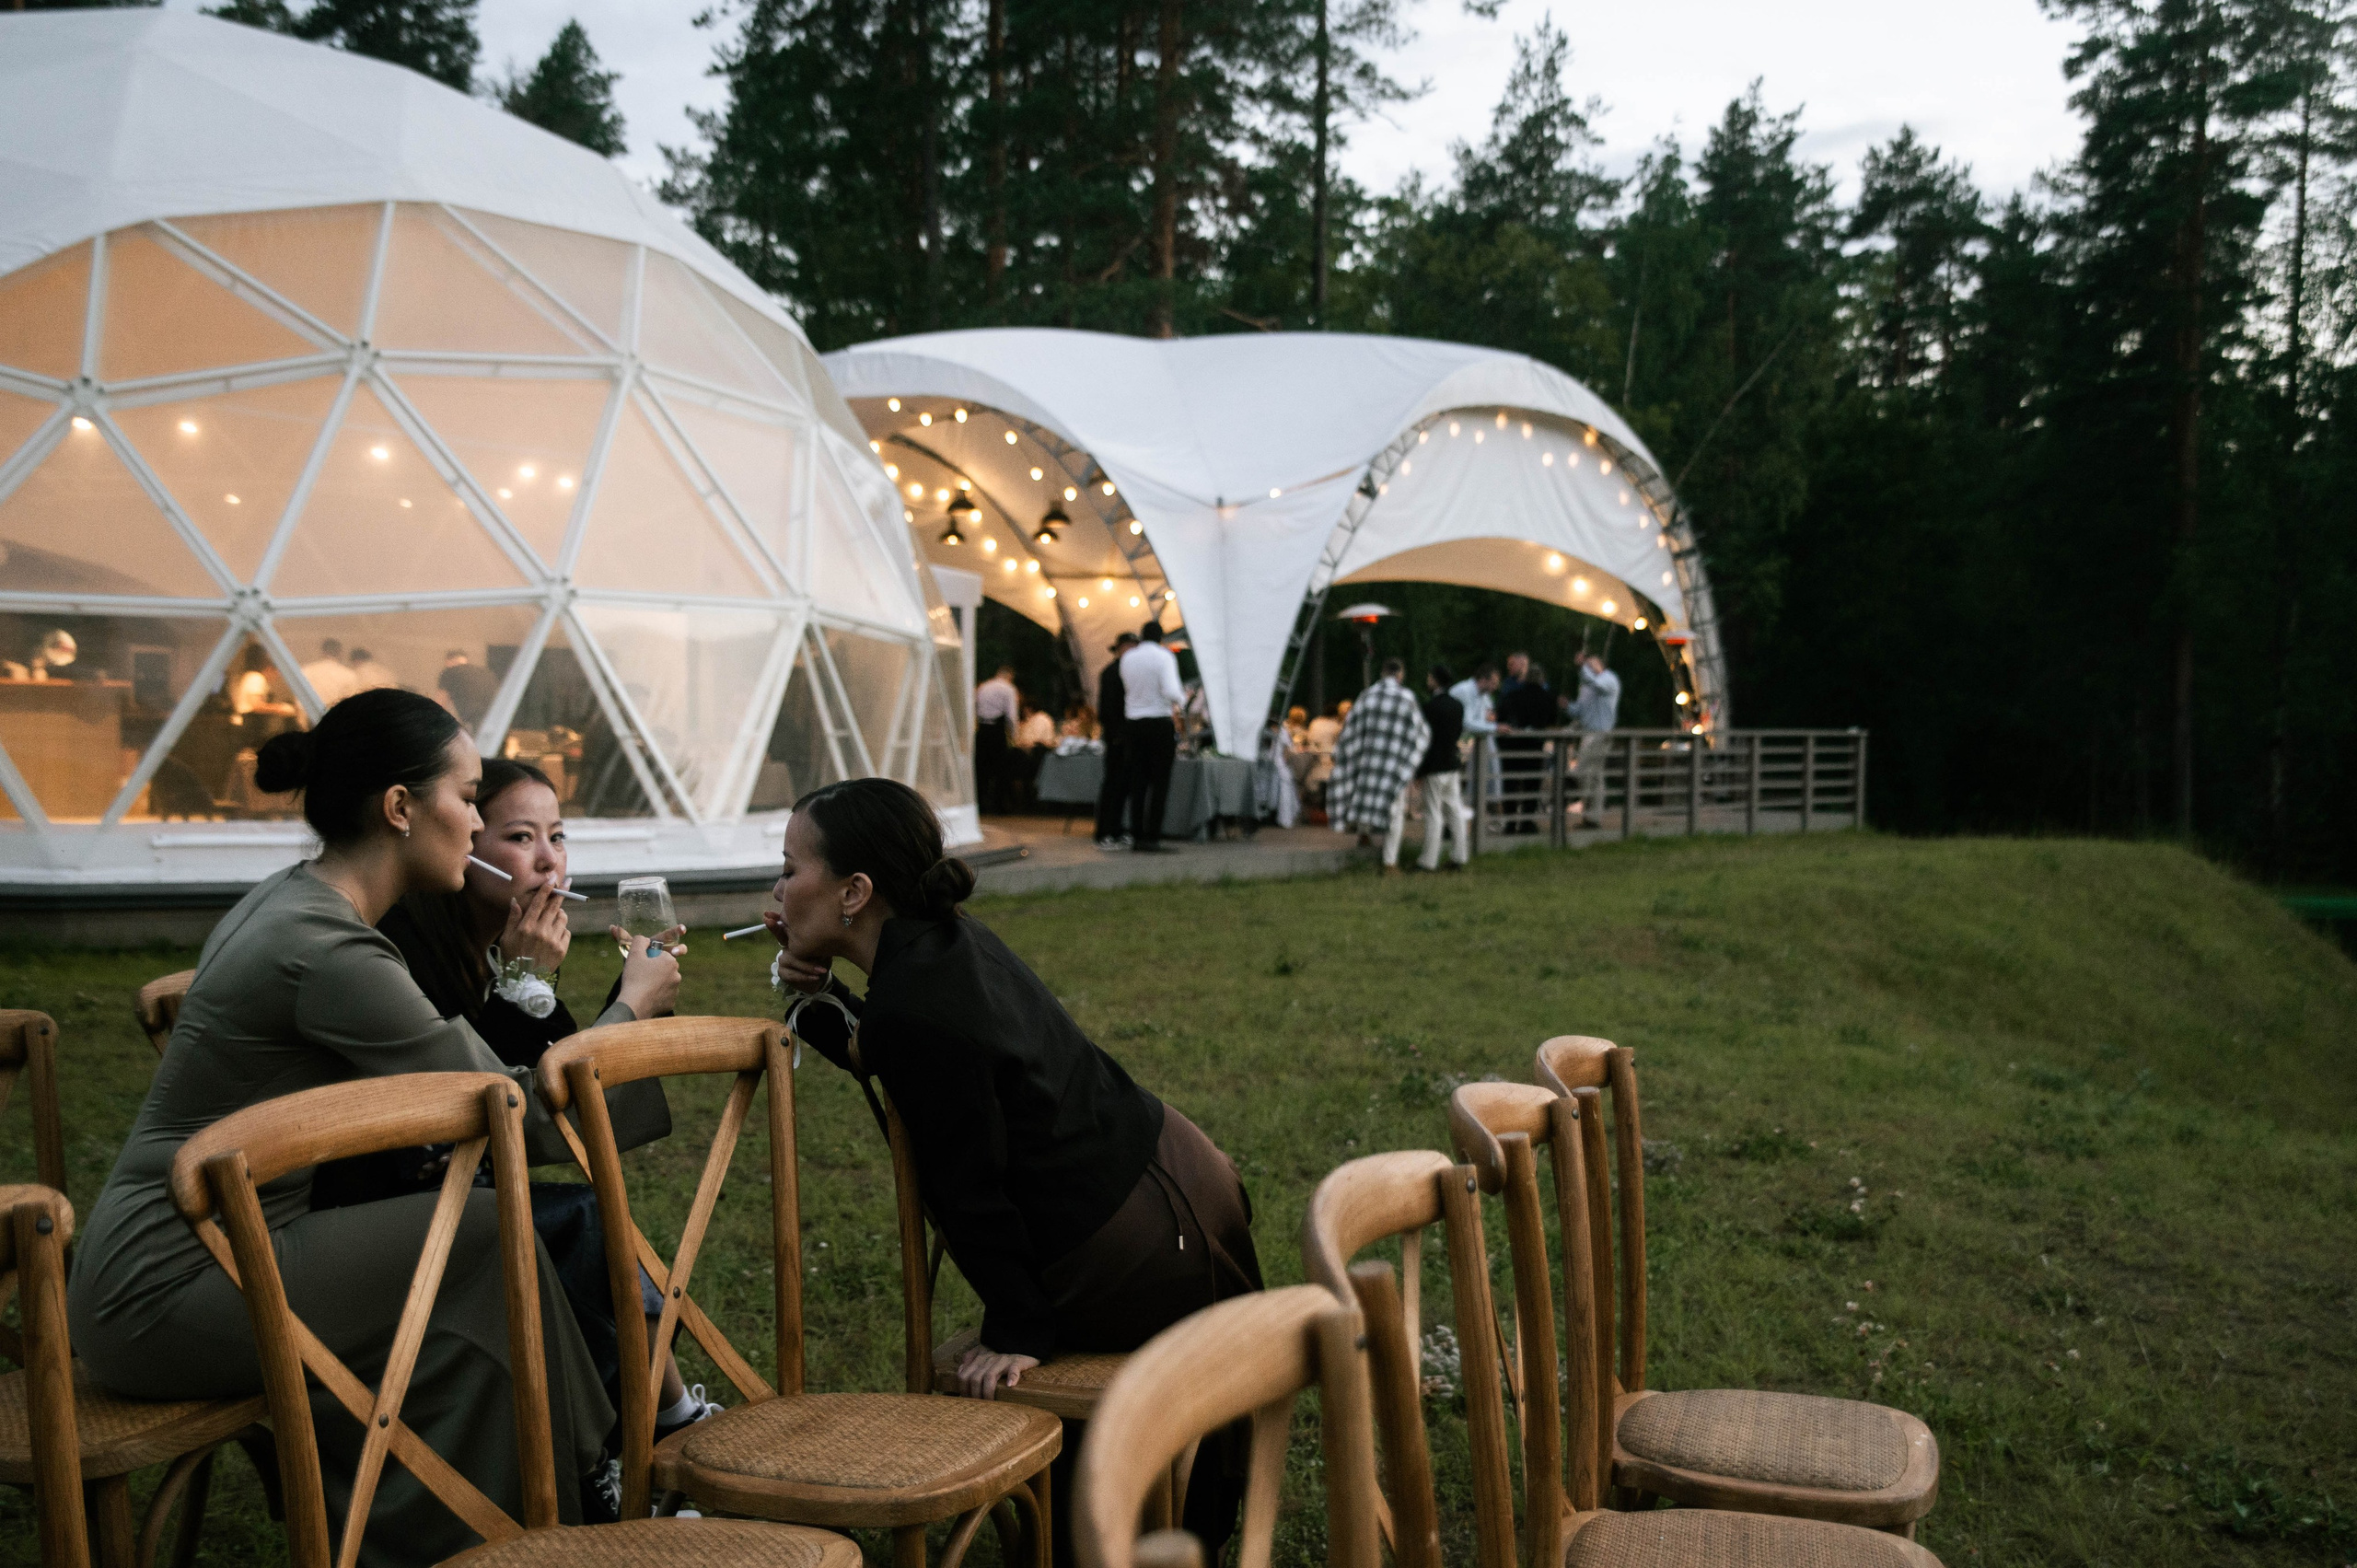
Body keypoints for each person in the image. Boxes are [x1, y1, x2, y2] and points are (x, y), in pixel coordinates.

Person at [68, 689, 684, 1562]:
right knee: (488, 1231)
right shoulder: (323, 947)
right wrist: (628, 1011)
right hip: (169, 1284)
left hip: (204, 1249)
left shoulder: (306, 907)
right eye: (469, 798)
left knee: (474, 1257)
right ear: (399, 807)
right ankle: (596, 1483)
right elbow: (502, 1108)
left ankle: (524, 1509)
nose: (477, 825)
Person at [761, 778, 1261, 1558]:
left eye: (790, 868)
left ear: (855, 890)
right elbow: (883, 1044)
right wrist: (815, 989)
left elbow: (968, 1185)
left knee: (1112, 1439)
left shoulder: (915, 1000)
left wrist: (1019, 1327)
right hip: (1180, 1176)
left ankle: (1119, 1529)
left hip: (1138, 1243)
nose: (779, 887)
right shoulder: (945, 942)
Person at [307, 756, 711, 1443]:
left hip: (458, 1194)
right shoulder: (399, 952)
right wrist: (550, 987)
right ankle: (648, 1433)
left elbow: (556, 1085)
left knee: (574, 1219)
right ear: (462, 841)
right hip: (375, 1214)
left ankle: (654, 1422)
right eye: (520, 838)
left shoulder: (488, 946)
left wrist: (623, 999)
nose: (549, 862)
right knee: (579, 1218)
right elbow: (497, 1102)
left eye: (558, 836)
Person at [1330, 659, 1430, 866]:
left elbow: (1351, 729)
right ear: (1400, 675)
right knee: (1395, 810)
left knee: (1367, 797)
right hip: (1394, 764)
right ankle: (1389, 861)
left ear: (1383, 673)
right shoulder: (1406, 697)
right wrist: (1411, 760)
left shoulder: (1367, 696)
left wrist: (1344, 754)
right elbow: (1421, 733)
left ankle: (1364, 836)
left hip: (1369, 761)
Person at [1395, 665, 1469, 871]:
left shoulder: (1430, 708)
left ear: (1435, 680)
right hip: (1451, 764)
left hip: (1434, 766)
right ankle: (1459, 856)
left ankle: (1428, 860)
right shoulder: (1458, 706)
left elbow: (1425, 742)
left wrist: (1419, 770)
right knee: (1454, 810)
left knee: (1434, 813)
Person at [1119, 623, 1185, 854]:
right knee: (1160, 783)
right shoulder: (1164, 657)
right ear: (1161, 637)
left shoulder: (1128, 659)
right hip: (1158, 722)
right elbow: (1171, 690)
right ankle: (1152, 836)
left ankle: (1137, 835)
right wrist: (1182, 700)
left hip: (1134, 723)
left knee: (1138, 782)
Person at [1494, 658, 1558, 832]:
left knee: (1511, 785)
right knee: (1532, 784)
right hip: (1534, 747)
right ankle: (1527, 822)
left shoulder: (1513, 696)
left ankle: (1510, 823)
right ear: (1542, 679)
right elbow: (1552, 719)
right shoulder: (1547, 698)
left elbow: (1501, 716)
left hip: (1512, 746)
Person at [1093, 633, 1135, 848]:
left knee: (1123, 785)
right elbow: (1107, 709)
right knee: (1113, 783)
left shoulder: (1127, 671)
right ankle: (1105, 831)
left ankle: (1116, 828)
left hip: (1123, 735)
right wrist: (1117, 734)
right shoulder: (1112, 672)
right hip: (1117, 736)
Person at [1572, 650, 1623, 829]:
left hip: (1600, 734)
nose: (1588, 667)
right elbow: (1581, 710)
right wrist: (1567, 707)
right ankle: (1592, 818)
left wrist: (1581, 667)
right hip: (1588, 733)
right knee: (1595, 777)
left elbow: (1597, 685)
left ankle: (1589, 810)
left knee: (1583, 772)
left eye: (1591, 664)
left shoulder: (1609, 679)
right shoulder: (1588, 686)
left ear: (1600, 664)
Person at [974, 664, 1018, 814]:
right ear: (1009, 676)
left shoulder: (983, 687)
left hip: (982, 730)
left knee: (981, 768)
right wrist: (1013, 736)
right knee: (1001, 769)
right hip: (997, 731)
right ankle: (1000, 805)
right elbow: (1012, 716)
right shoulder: (1009, 689)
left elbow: (975, 707)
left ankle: (980, 803)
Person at [437, 649, 498, 723]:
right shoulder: (487, 673)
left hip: (473, 720)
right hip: (496, 718)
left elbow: (441, 703)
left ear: (448, 661)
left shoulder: (449, 673)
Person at [302, 637, 361, 708]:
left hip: (310, 714)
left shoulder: (306, 670)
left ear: (323, 652)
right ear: (340, 653)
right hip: (335, 715)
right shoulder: (348, 674)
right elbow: (352, 703)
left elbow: (300, 698)